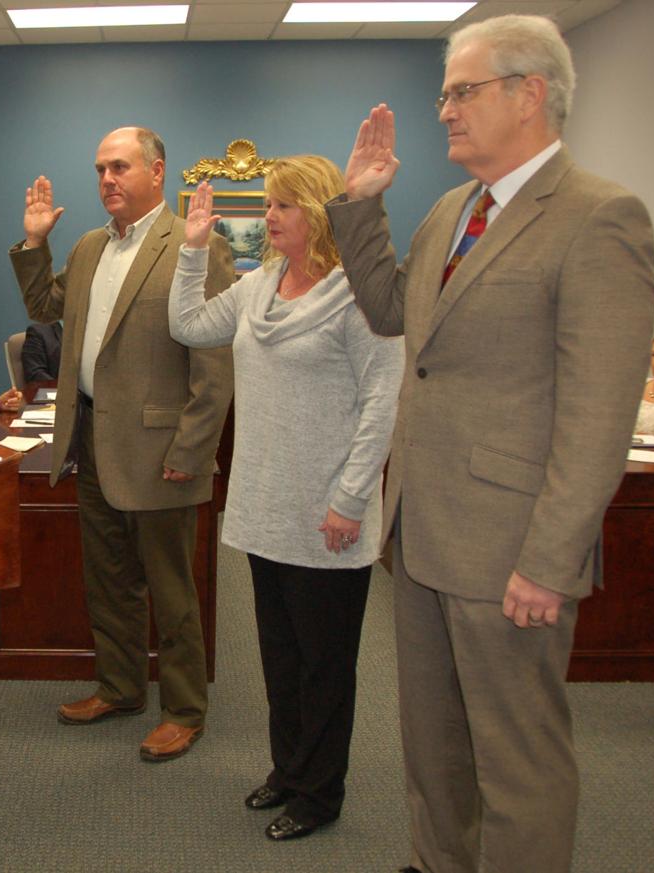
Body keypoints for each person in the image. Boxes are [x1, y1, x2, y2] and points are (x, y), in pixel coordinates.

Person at [326, 15, 654, 873]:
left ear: (530, 93)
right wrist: (361, 204)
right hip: (427, 532)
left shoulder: (599, 217)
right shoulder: (451, 210)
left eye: (461, 92)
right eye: (444, 93)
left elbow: (598, 415)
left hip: (513, 549)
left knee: (518, 762)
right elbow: (393, 313)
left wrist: (551, 559)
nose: (444, 112)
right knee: (434, 746)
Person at [170, 157, 403, 840]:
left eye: (284, 206)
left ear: (321, 213)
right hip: (264, 506)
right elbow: (188, 323)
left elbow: (382, 404)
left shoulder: (364, 295)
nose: (269, 217)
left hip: (328, 513)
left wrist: (352, 500)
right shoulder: (259, 285)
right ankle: (288, 767)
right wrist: (191, 248)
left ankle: (320, 791)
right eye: (268, 206)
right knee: (279, 653)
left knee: (324, 663)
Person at [9, 126, 234, 761]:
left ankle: (185, 709)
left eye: (121, 167)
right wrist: (34, 242)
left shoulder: (196, 247)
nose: (107, 179)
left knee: (171, 590)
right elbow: (45, 307)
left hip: (162, 454)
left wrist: (191, 454)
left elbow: (214, 369)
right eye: (101, 169)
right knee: (108, 582)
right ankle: (120, 686)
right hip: (90, 442)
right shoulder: (87, 247)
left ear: (158, 172)